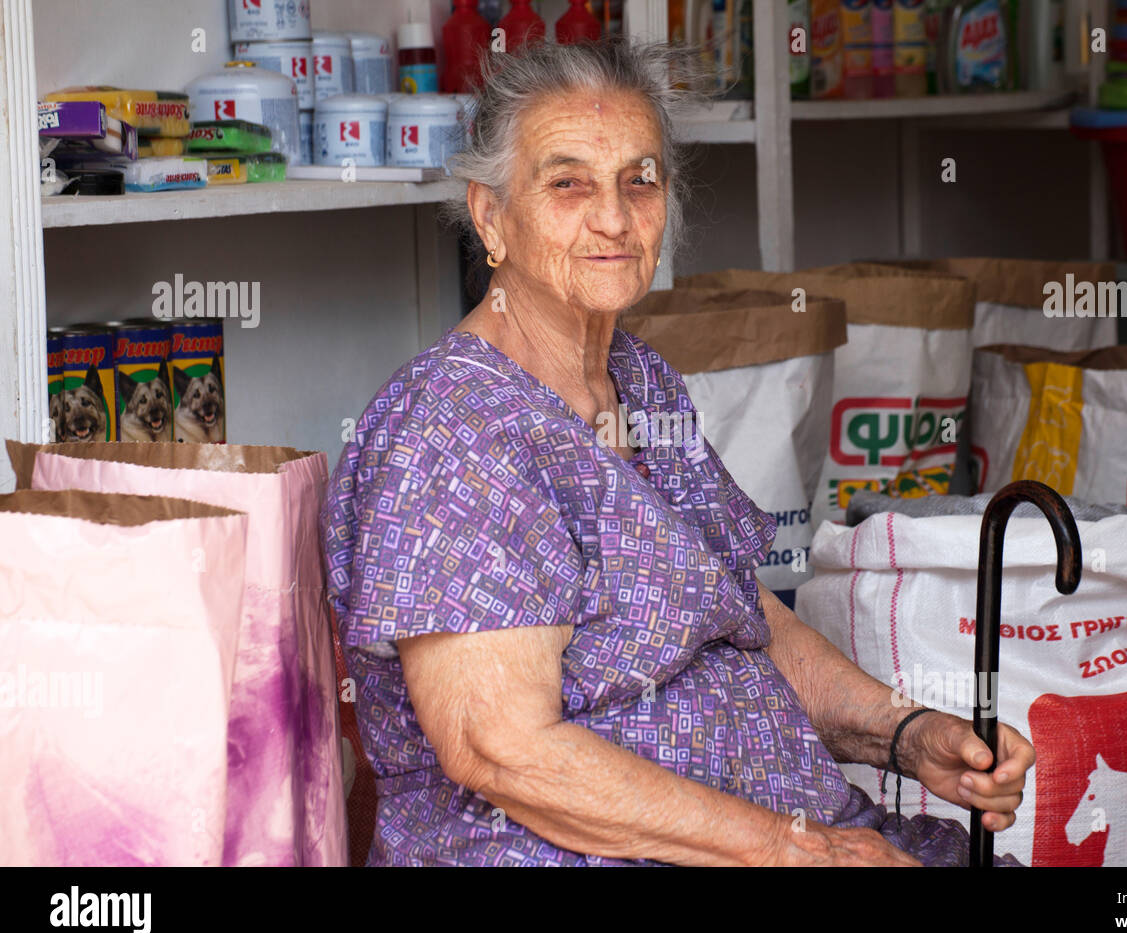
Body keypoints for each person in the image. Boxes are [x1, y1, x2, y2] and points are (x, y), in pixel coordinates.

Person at [321, 38, 1029, 866]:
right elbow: (502, 751)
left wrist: (904, 734)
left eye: (639, 180)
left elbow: (738, 615)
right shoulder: (453, 430)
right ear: (490, 215)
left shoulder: (639, 379)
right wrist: (796, 852)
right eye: (568, 183)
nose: (614, 218)